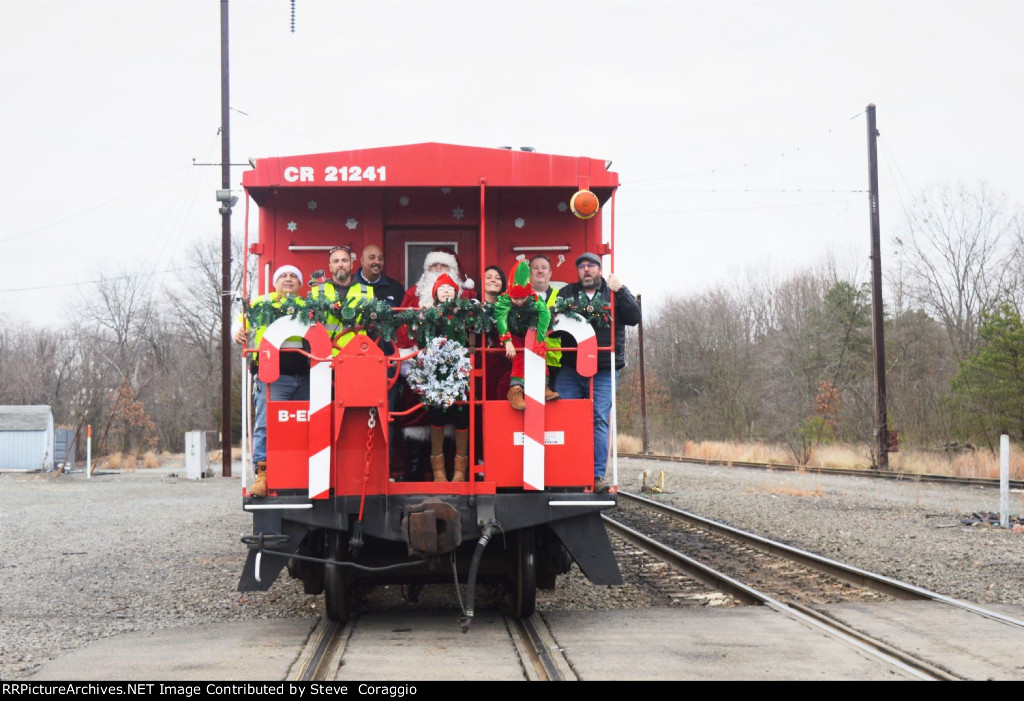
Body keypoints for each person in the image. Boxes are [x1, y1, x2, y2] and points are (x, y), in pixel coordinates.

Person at [550, 252, 641, 494]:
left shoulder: (613, 292)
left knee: (600, 419)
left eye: (591, 266)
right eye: (582, 267)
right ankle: (567, 473)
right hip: (571, 366)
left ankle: (596, 475)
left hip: (603, 368)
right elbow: (555, 328)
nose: (587, 270)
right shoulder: (567, 294)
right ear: (578, 271)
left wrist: (621, 290)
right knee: (565, 418)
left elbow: (634, 318)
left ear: (600, 269)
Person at [233, 265, 310, 497]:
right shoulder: (261, 303)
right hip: (273, 378)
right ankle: (262, 475)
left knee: (306, 426)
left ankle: (303, 474)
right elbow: (239, 323)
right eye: (283, 276)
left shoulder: (310, 307)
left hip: (307, 377)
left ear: (300, 283)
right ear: (275, 283)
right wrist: (236, 332)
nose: (288, 279)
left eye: (293, 276)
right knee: (266, 425)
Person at [494, 260, 559, 410]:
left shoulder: (535, 300)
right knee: (518, 355)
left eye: (522, 298)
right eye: (515, 299)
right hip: (512, 335)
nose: (518, 302)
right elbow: (501, 320)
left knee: (540, 353)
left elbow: (544, 315)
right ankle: (515, 390)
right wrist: (507, 341)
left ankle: (544, 386)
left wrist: (540, 340)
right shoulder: (503, 300)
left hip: (530, 332)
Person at [424, 273, 470, 482]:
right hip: (437, 376)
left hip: (461, 376)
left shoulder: (464, 315)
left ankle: (460, 471)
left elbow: (472, 341)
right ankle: (438, 472)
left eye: (450, 288)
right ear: (435, 294)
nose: (446, 291)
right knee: (437, 418)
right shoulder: (430, 316)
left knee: (462, 418)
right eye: (441, 288)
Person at [308, 245, 374, 353]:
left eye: (344, 260)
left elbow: (377, 329)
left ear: (351, 265)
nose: (340, 265)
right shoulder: (317, 292)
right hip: (326, 358)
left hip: (359, 356)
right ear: (330, 267)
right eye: (336, 261)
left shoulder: (367, 292)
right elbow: (307, 327)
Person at [398, 247, 474, 308]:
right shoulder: (413, 292)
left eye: (443, 265)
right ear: (428, 269)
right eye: (434, 265)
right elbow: (403, 320)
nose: (438, 269)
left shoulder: (465, 294)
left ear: (451, 269)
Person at [529, 254, 563, 385]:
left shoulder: (561, 296)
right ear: (529, 273)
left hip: (556, 363)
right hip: (529, 360)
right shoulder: (521, 298)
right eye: (535, 268)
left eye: (544, 268)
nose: (540, 271)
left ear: (550, 273)